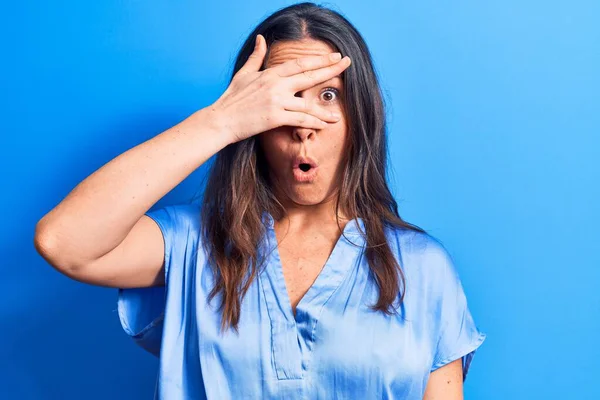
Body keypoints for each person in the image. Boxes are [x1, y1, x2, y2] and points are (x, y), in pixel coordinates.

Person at [34, 2, 486, 399]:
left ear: (360, 116)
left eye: (328, 95)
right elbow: (63, 241)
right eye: (284, 99)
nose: (303, 123)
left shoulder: (423, 268)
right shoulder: (194, 243)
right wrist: (221, 122)